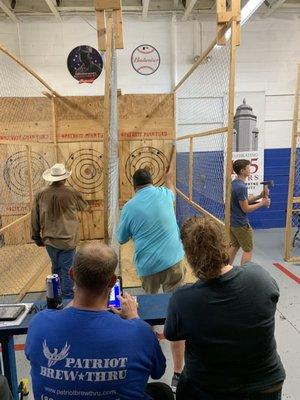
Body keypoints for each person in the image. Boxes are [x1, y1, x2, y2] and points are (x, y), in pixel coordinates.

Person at [25, 242, 173, 400]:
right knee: (162, 392)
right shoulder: (141, 332)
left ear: (72, 275)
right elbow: (158, 372)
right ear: (112, 281)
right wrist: (134, 319)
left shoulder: (39, 324)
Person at [164, 216, 286, 400]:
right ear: (223, 244)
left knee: (182, 387)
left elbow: (172, 334)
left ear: (189, 255)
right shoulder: (258, 277)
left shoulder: (183, 300)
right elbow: (273, 296)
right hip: (267, 387)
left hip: (210, 390)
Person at [117, 168, 185, 390]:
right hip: (174, 260)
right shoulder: (164, 194)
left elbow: (121, 237)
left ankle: (151, 343)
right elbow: (171, 190)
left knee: (150, 304)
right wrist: (169, 179)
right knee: (176, 313)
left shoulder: (130, 206)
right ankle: (178, 372)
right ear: (151, 182)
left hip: (148, 266)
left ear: (134, 187)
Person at [31, 163, 88, 299]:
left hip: (49, 240)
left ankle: (55, 297)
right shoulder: (72, 192)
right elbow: (84, 207)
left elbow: (35, 216)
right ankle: (68, 300)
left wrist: (36, 236)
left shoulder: (40, 194)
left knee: (55, 268)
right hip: (67, 239)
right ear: (65, 178)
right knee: (68, 270)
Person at [229, 159, 270, 266]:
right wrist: (263, 203)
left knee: (234, 246)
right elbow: (246, 208)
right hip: (241, 224)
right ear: (242, 171)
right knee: (248, 250)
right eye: (248, 168)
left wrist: (260, 196)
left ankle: (225, 270)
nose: (250, 170)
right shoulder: (241, 187)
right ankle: (244, 274)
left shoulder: (234, 184)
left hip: (233, 222)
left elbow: (242, 202)